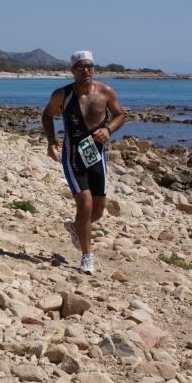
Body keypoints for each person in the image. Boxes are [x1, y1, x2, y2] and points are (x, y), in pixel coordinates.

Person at [41, 50, 125, 276]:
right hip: (73, 155)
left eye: (89, 65)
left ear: (94, 68)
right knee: (85, 205)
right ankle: (87, 257)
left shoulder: (105, 91)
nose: (85, 69)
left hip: (97, 156)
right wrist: (51, 142)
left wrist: (109, 129)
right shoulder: (62, 94)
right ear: (72, 70)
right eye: (80, 66)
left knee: (97, 210)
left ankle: (75, 226)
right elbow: (47, 115)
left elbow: (120, 116)